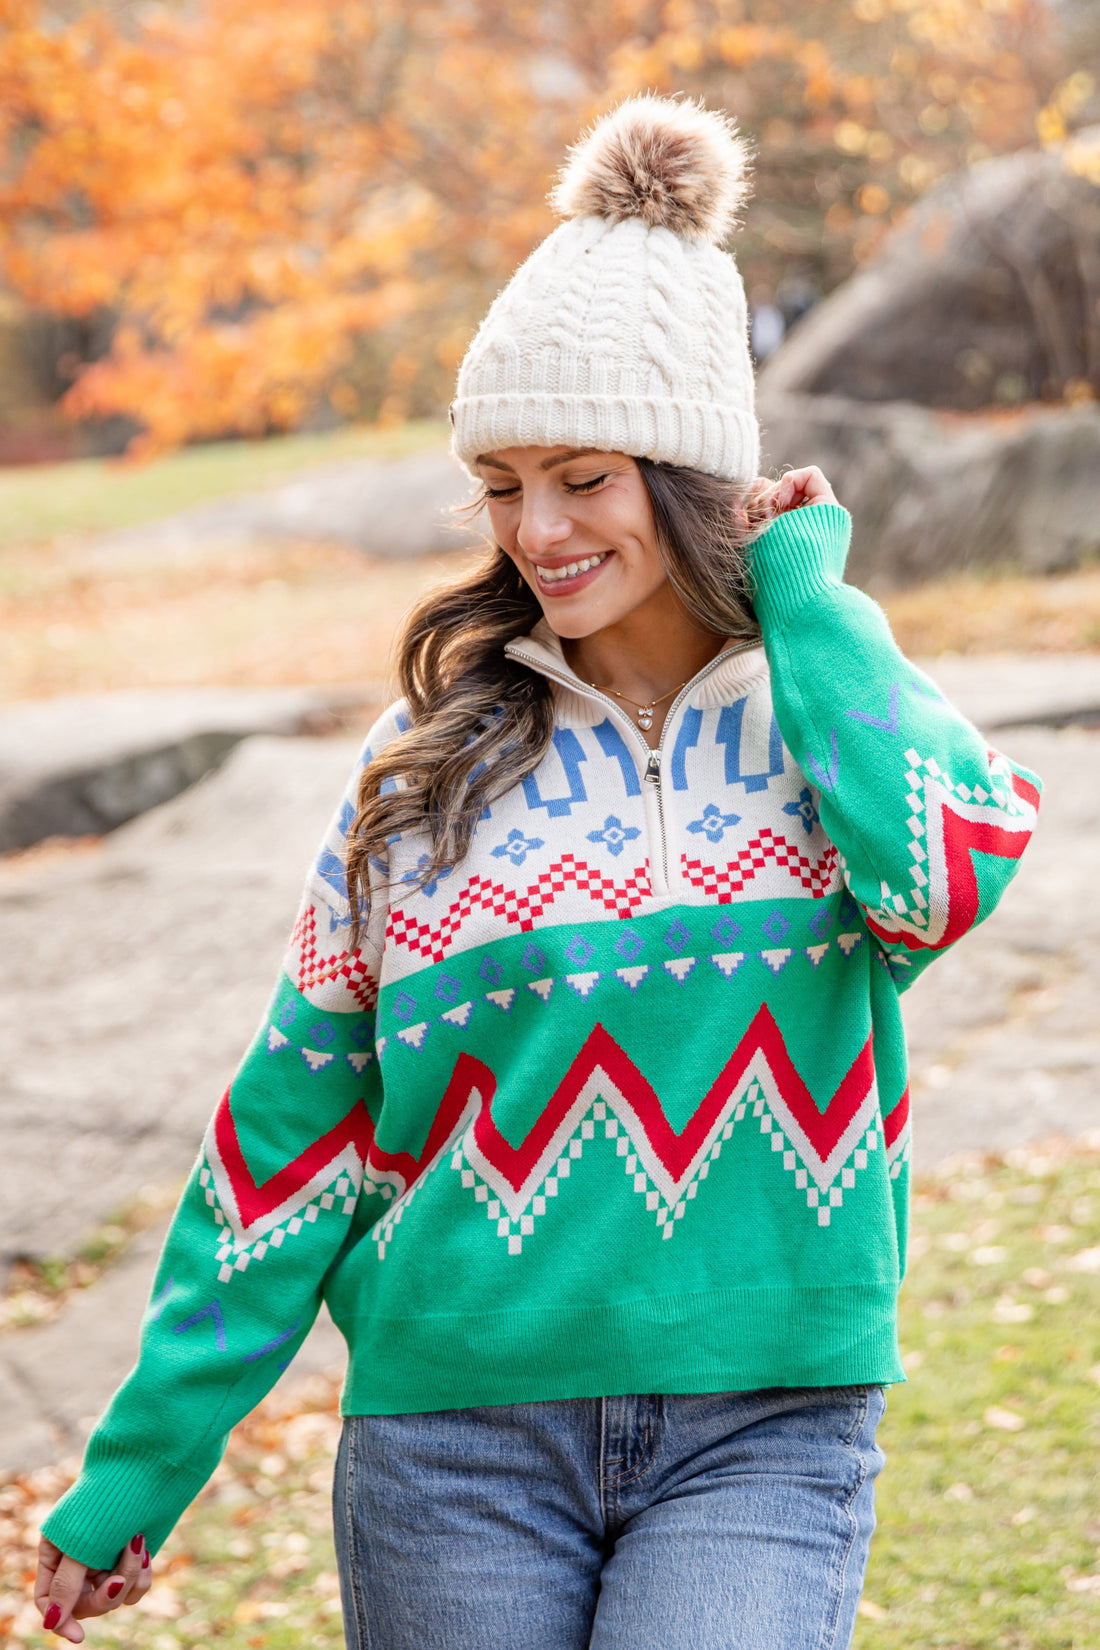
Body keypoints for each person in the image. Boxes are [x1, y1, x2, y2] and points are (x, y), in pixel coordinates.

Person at [35, 94, 1041, 1649]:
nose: (539, 529)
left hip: (765, 1428)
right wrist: (142, 1467)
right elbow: (290, 1138)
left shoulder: (822, 715)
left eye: (584, 474)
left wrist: (807, 604)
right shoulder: (423, 765)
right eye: (503, 484)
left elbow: (949, 873)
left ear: (690, 468)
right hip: (456, 1449)